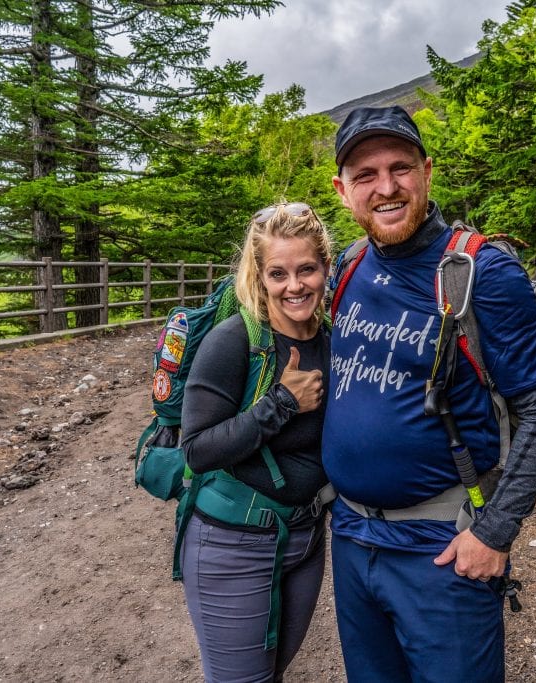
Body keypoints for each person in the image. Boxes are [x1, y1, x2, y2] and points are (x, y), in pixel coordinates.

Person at [323, 106, 536, 682]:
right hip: (354, 535)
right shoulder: (348, 266)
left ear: (427, 172)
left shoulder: (483, 271)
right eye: (365, 175)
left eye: (400, 168)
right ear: (343, 191)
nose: (386, 188)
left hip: (442, 547)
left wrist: (494, 532)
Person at [179, 202, 334, 683]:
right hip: (232, 543)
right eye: (278, 273)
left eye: (306, 269)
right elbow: (198, 449)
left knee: (270, 673)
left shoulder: (334, 340)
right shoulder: (234, 341)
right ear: (259, 276)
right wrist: (281, 403)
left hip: (306, 538)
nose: (295, 286)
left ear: (325, 268)